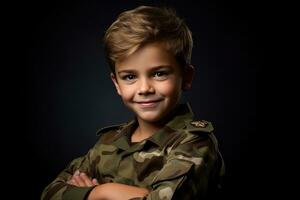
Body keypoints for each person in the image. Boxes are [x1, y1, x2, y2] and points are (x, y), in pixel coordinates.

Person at [41, 5, 225, 200]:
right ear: (117, 84)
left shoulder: (194, 143)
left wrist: (91, 194)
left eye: (159, 73)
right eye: (129, 77)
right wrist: (102, 192)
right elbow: (49, 194)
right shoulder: (109, 143)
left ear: (186, 77)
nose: (144, 88)